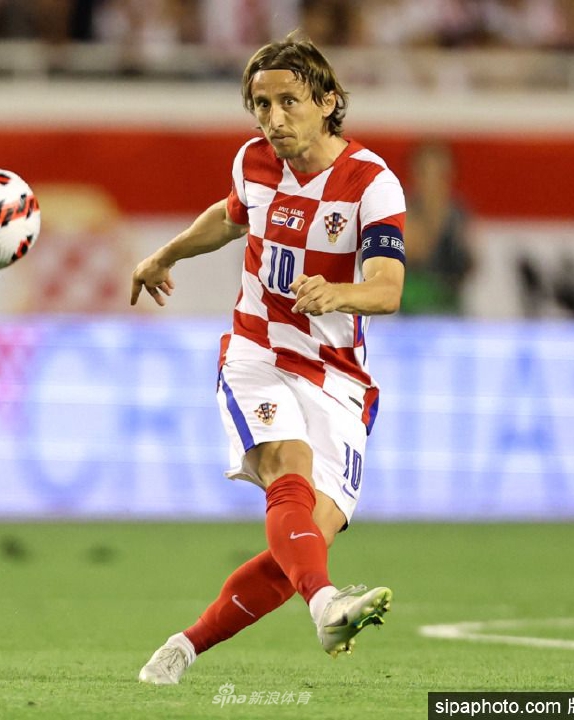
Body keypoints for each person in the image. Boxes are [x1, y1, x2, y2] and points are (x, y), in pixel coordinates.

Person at [131, 33, 406, 685]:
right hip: (257, 353)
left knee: (306, 541)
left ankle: (182, 649)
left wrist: (338, 291)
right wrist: (165, 254)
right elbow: (230, 218)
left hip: (337, 373)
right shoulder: (253, 162)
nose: (273, 119)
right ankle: (328, 606)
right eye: (261, 105)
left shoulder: (371, 183)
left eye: (289, 102)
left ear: (328, 102)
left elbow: (388, 290)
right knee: (289, 469)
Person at [400, 141, 473, 315]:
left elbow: (467, 262)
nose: (432, 182)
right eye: (426, 173)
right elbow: (415, 250)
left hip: (449, 308)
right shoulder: (403, 211)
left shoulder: (457, 215)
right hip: (413, 308)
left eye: (439, 174)